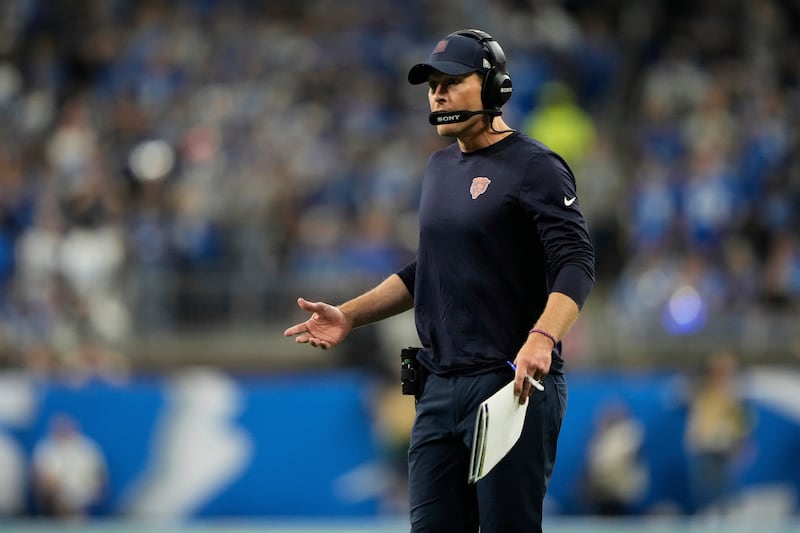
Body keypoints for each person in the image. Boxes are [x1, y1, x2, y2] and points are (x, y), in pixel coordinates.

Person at [285, 28, 595, 533]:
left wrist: (543, 337)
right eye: (432, 84)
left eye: (452, 81)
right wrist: (349, 315)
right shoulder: (438, 168)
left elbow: (577, 260)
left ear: (495, 87)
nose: (438, 93)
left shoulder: (535, 166)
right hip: (437, 387)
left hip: (508, 384)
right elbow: (425, 270)